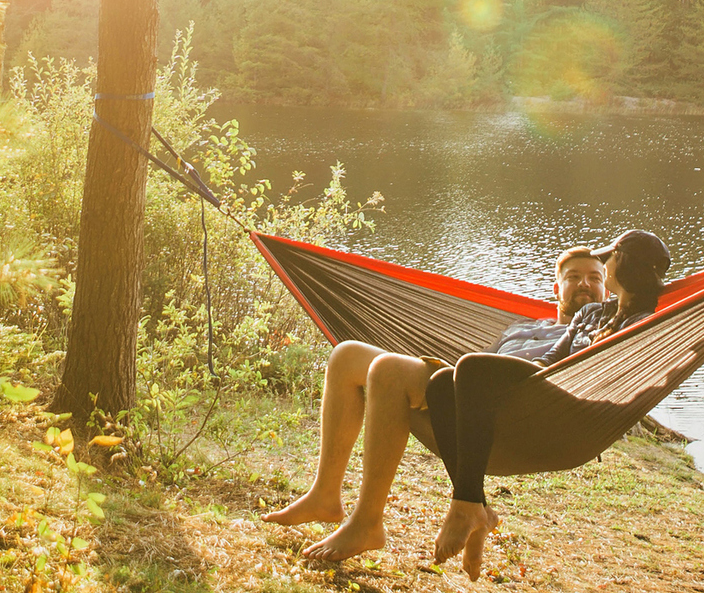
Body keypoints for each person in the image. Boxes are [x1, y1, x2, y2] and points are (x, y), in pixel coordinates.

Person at [261, 246, 609, 562]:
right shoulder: (520, 327)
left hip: (522, 417)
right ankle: (325, 495)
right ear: (555, 289)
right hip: (466, 396)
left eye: (595, 278)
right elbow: (480, 363)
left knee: (388, 371)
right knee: (346, 356)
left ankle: (367, 523)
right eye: (574, 277)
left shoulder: (595, 331)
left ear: (607, 292)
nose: (584, 284)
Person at [426, 229, 670, 579]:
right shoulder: (592, 313)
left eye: (610, 259)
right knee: (439, 385)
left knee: (471, 366)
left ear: (624, 267)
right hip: (549, 384)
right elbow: (555, 355)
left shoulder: (643, 322)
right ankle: (475, 506)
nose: (605, 265)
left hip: (575, 406)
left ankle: (465, 506)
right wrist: (521, 376)